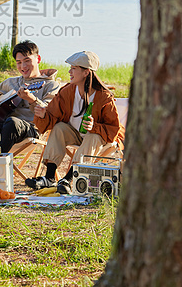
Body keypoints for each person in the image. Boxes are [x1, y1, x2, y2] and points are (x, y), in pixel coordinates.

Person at [25, 50, 124, 193]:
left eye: (74, 68)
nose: (69, 71)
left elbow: (113, 129)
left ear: (86, 72)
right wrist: (42, 115)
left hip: (100, 140)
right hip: (76, 135)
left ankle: (69, 179)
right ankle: (49, 177)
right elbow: (52, 116)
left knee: (92, 135)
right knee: (59, 128)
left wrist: (94, 126)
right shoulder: (67, 91)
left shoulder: (104, 97)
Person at [0, 40, 60, 153]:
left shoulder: (50, 85)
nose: (23, 66)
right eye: (18, 62)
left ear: (38, 59)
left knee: (12, 122)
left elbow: (48, 113)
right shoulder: (11, 82)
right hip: (3, 129)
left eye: (27, 60)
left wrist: (32, 99)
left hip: (30, 129)